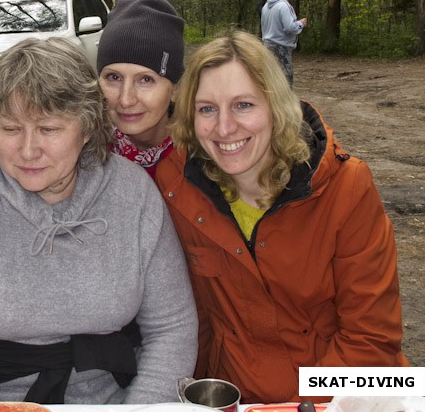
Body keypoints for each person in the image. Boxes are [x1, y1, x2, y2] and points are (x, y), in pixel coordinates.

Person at [0, 37, 197, 404]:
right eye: (10, 128)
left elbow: (172, 329)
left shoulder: (133, 195)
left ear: (86, 129)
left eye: (49, 129)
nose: (27, 150)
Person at [155, 31, 408, 404]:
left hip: (347, 395)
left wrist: (295, 407)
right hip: (237, 395)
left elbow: (372, 340)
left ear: (276, 106)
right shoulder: (177, 186)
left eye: (243, 105)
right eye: (207, 109)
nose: (224, 128)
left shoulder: (346, 188)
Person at [96, 0, 185, 178]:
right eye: (114, 77)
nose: (126, 100)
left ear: (176, 90)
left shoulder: (205, 159)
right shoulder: (84, 154)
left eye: (146, 80)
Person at [260, 0, 307, 86]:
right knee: (285, 80)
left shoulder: (266, 7)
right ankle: (286, 102)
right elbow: (290, 27)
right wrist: (301, 23)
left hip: (267, 45)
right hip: (281, 47)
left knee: (271, 78)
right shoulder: (284, 6)